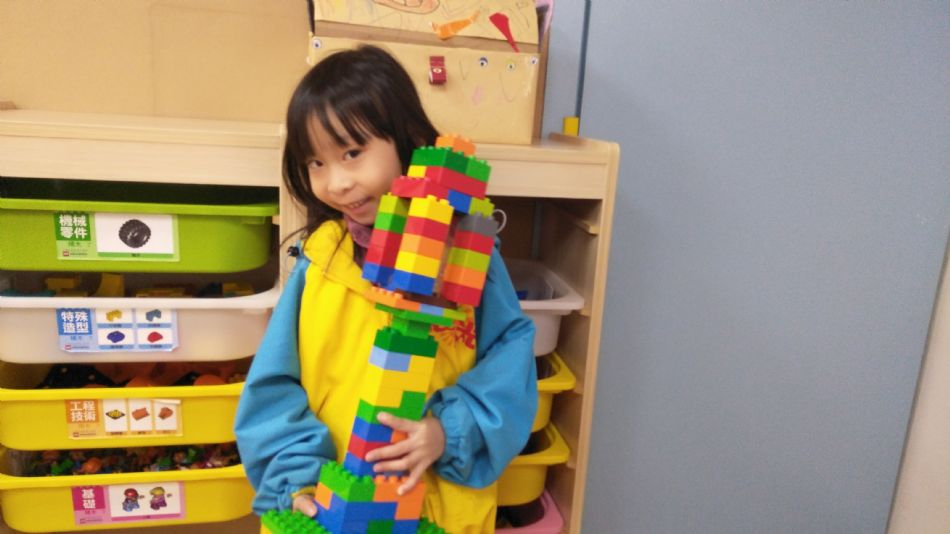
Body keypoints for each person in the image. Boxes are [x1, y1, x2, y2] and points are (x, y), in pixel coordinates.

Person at [234, 44, 537, 533]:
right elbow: (274, 386)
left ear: (407, 141)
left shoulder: (466, 254)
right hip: (330, 505)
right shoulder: (321, 260)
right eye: (316, 163)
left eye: (352, 154)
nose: (336, 182)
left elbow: (510, 359)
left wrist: (448, 432)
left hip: (436, 506)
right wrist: (297, 479)